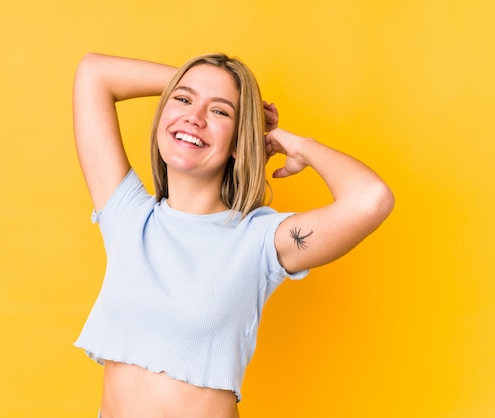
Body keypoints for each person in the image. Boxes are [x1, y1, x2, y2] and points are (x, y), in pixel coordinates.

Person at [72, 52, 394, 418]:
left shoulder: (260, 241)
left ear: (241, 143)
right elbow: (94, 74)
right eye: (182, 100)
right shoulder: (129, 215)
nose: (194, 117)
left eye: (220, 112)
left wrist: (301, 146)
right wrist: (197, 90)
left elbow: (371, 199)